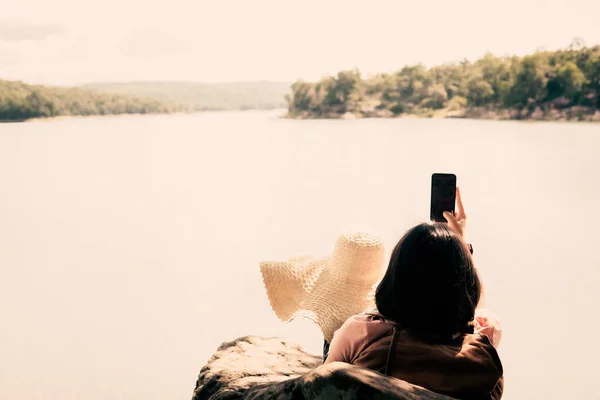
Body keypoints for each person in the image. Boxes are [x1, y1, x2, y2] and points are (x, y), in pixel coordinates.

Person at [323, 188, 504, 399]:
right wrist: (462, 245)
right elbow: (475, 306)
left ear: (394, 277)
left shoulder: (362, 332)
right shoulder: (485, 335)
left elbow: (324, 388)